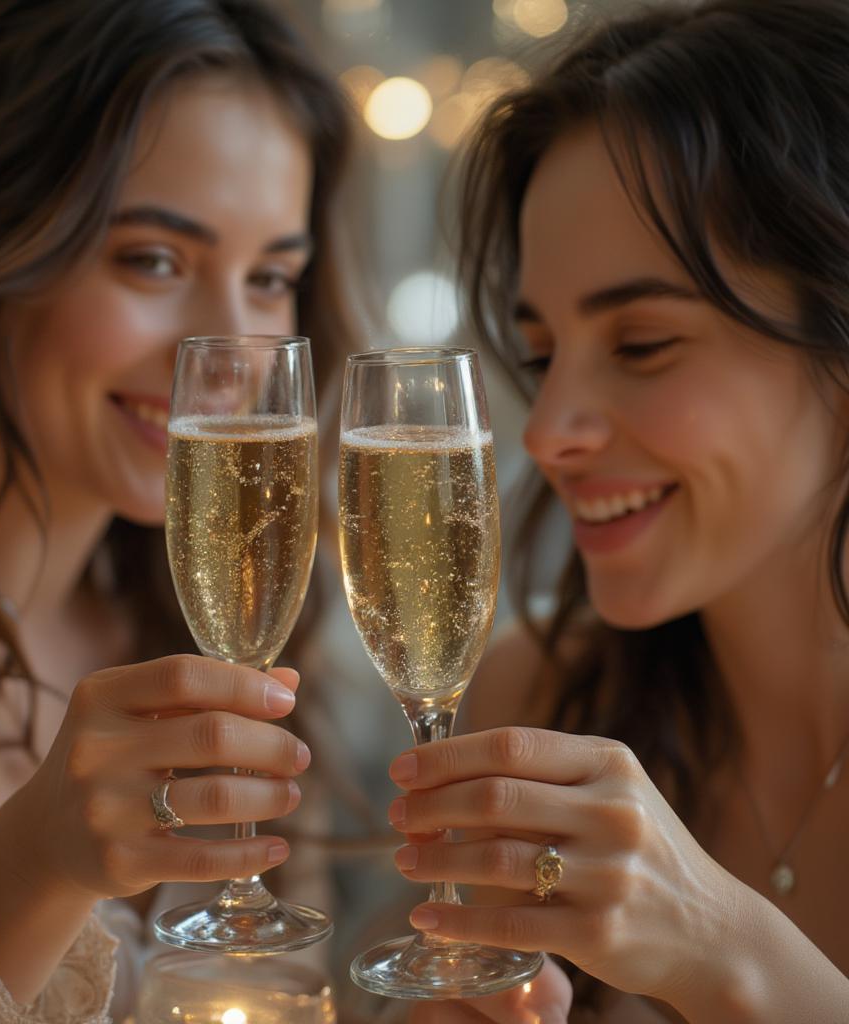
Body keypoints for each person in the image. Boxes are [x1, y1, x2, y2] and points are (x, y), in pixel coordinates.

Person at [0, 0, 359, 1020]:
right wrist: (34, 863)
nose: (227, 354)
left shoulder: (215, 630)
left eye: (271, 277)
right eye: (153, 259)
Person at [384, 1, 849, 1021]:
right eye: (541, 353)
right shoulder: (537, 715)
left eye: (641, 344)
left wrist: (733, 956)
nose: (547, 432)